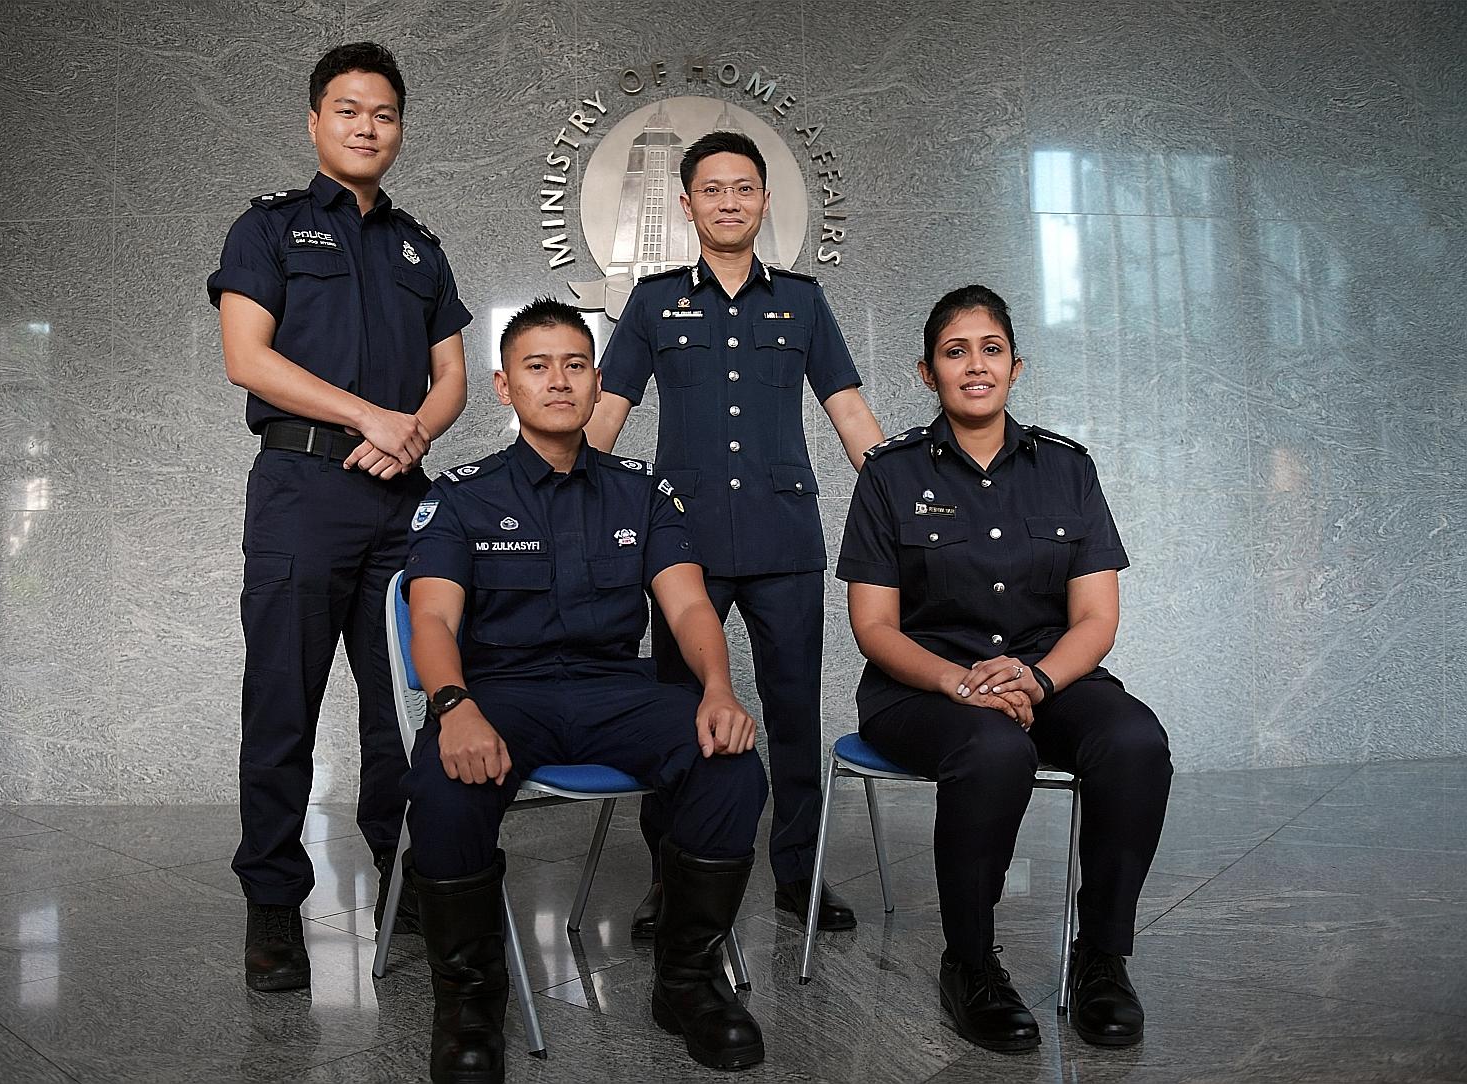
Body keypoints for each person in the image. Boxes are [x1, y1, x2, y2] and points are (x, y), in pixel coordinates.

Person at [404, 300, 770, 1082]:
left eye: (575, 365)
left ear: (598, 383)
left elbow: (688, 605)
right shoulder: (462, 495)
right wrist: (453, 707)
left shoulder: (643, 492)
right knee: (441, 781)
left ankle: (686, 982)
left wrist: (718, 687)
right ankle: (469, 1002)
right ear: (504, 386)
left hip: (615, 691)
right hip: (502, 692)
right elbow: (430, 617)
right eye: (537, 366)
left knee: (731, 763)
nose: (559, 381)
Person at [835, 285, 1173, 1052]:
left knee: (1134, 743)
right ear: (927, 373)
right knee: (993, 750)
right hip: (922, 687)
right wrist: (960, 683)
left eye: (991, 350)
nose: (975, 366)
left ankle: (1101, 959)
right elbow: (873, 627)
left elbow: (1097, 619)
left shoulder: (1068, 469)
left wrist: (1039, 680)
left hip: (1046, 675)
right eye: (955, 352)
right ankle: (971, 962)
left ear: (1016, 366)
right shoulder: (889, 475)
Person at [207, 42, 470, 992]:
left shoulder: (421, 248)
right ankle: (274, 904)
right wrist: (370, 417)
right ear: (315, 120)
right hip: (302, 492)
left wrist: (412, 435)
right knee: (283, 701)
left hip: (401, 499)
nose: (367, 127)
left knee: (402, 706)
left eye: (384, 114)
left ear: (401, 129)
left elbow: (451, 376)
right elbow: (247, 358)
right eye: (349, 110)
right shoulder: (268, 228)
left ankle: (410, 879)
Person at [587, 130, 884, 936]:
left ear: (764, 201)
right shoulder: (654, 302)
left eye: (743, 188)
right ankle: (671, 876)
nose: (729, 202)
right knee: (676, 712)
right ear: (687, 205)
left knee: (793, 713)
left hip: (784, 539)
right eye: (713, 190)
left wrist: (905, 500)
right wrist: (567, 498)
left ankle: (799, 874)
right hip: (682, 546)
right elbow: (606, 412)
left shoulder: (803, 301)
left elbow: (849, 411)